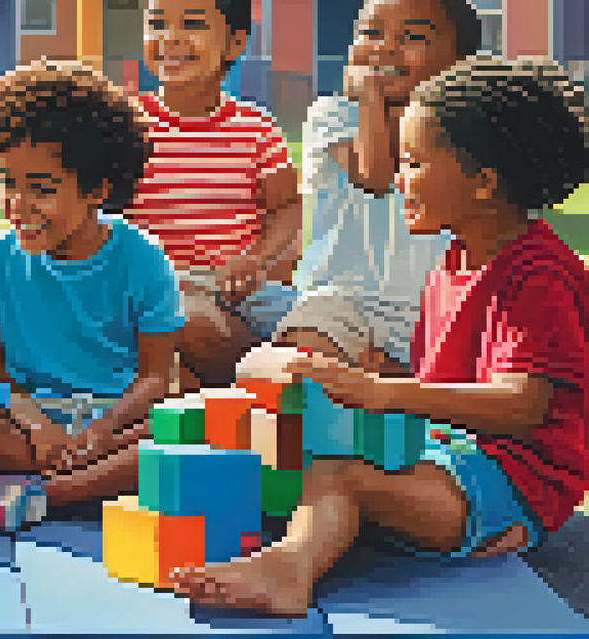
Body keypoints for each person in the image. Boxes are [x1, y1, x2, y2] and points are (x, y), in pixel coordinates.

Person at [170, 56, 589, 616]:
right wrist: (365, 376)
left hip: (512, 486)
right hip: (449, 456)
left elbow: (522, 408)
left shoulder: (539, 276)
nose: (397, 179)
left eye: (414, 163)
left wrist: (377, 391)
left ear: (484, 182)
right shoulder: (453, 262)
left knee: (340, 477)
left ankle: (287, 573)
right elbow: (441, 385)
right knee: (286, 448)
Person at [0, 60, 186, 522]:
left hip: (118, 422)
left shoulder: (144, 259)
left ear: (97, 188)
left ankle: (46, 495)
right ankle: (89, 482)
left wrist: (102, 430)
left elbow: (156, 381)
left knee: (190, 432)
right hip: (28, 420)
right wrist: (37, 425)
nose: (19, 205)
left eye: (41, 188)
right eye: (9, 182)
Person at [236, 0, 478, 384]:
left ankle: (389, 374)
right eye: (371, 32)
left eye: (412, 37)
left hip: (430, 305)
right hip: (341, 301)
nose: (385, 47)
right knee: (297, 356)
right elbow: (374, 175)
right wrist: (368, 98)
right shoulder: (333, 114)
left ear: (459, 63)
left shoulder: (463, 129)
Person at [127, 0, 302, 386]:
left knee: (317, 329)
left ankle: (257, 385)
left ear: (235, 43)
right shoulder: (126, 126)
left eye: (192, 24)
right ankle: (244, 390)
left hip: (242, 291)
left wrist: (256, 260)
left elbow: (286, 209)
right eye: (156, 23)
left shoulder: (257, 129)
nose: (170, 37)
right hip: (157, 290)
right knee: (186, 326)